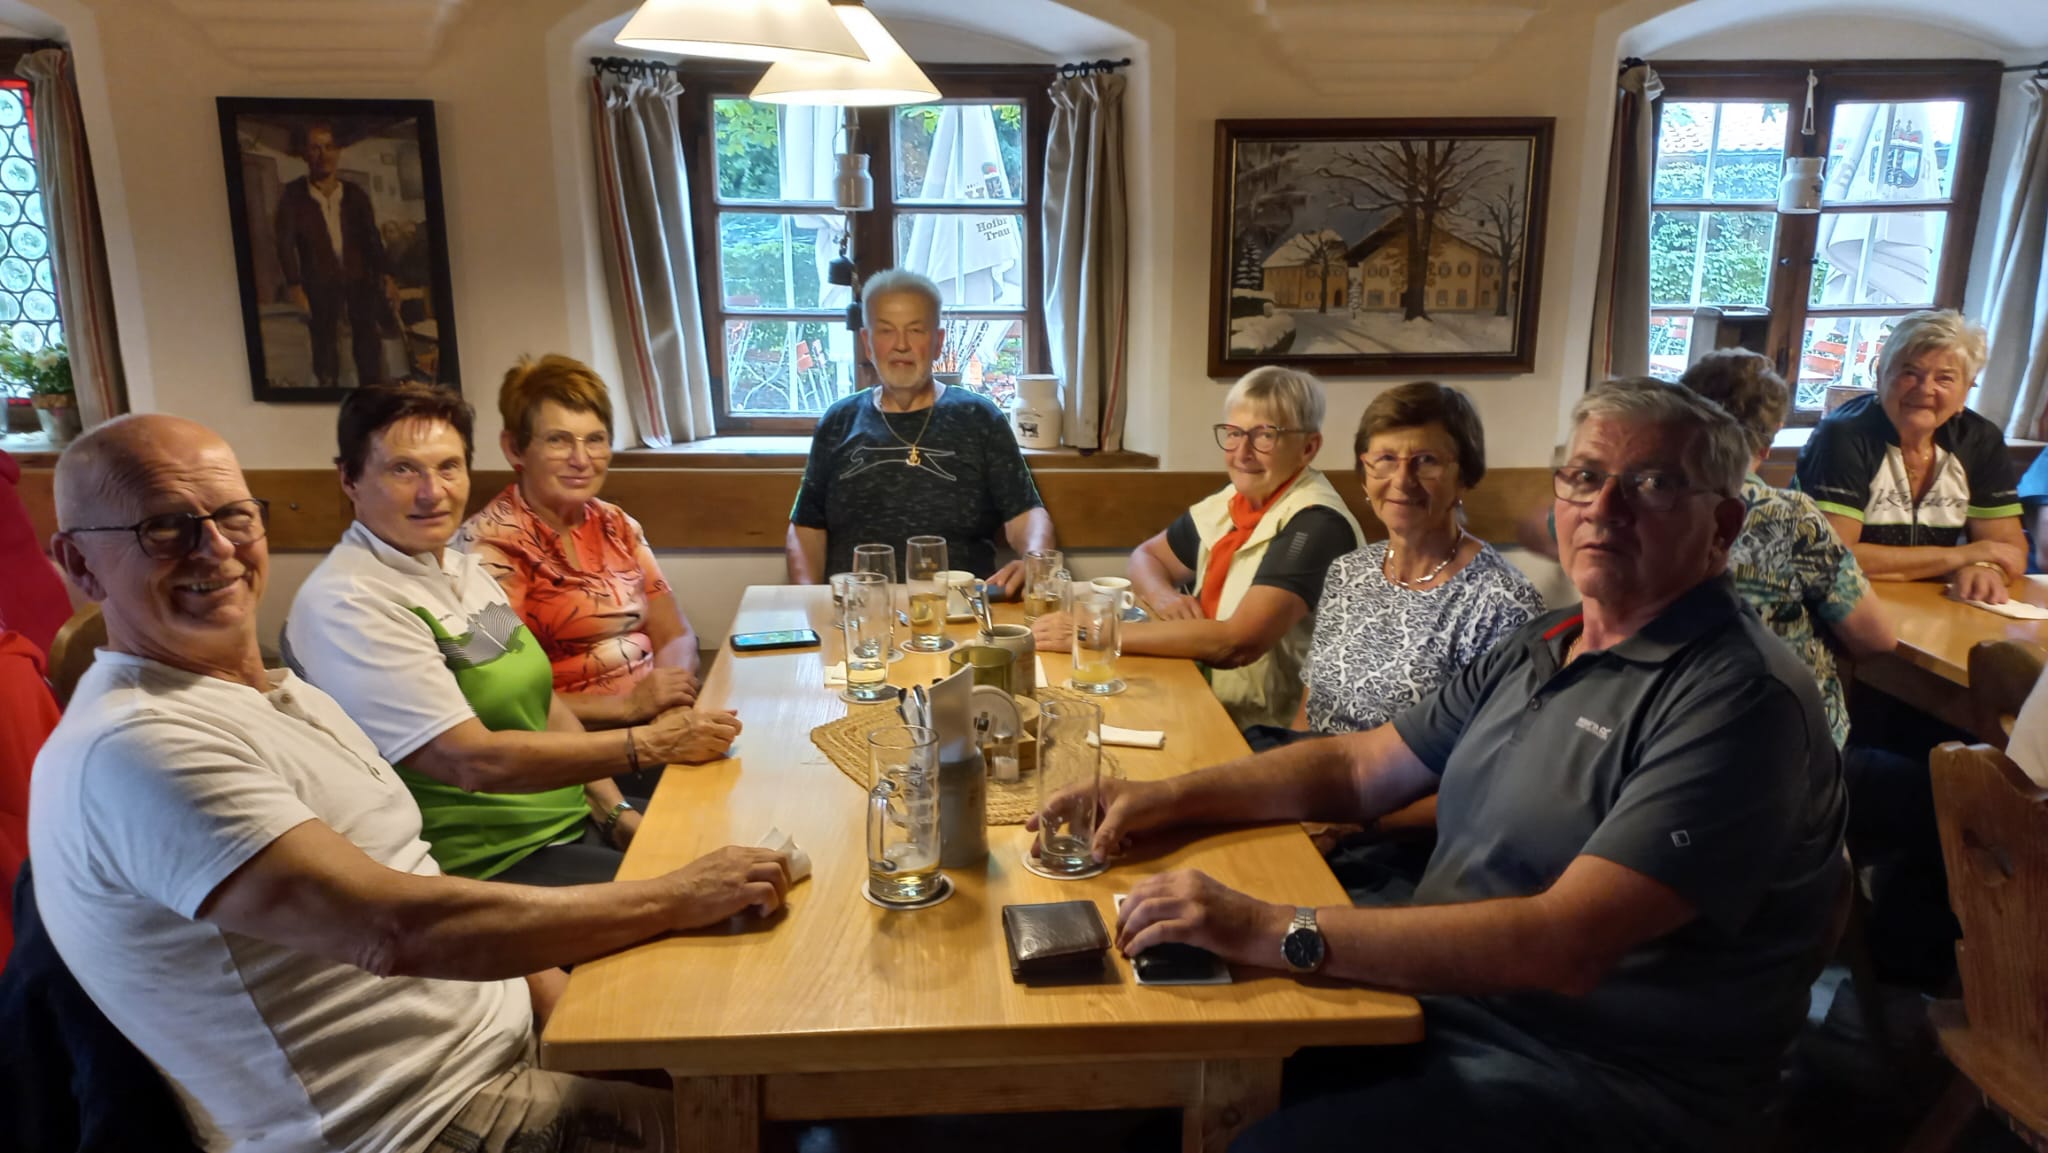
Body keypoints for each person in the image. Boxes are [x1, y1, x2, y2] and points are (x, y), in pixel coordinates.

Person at [1039, 378, 1846, 1153]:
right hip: (1447, 1004)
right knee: (1164, 1089)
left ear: (1723, 524)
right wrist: (1162, 798)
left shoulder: (1741, 699)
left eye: (1654, 484)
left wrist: (1263, 926)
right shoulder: (1550, 639)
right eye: (1584, 477)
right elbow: (1359, 767)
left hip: (1596, 1077)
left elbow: (1562, 944)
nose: (1605, 507)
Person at [31, 413, 791, 1152]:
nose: (219, 548)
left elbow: (418, 866)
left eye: (235, 515)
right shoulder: (139, 746)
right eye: (166, 527)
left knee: (765, 1048)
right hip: (418, 1121)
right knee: (785, 1120)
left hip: (503, 1049)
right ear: (79, 563)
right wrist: (676, 893)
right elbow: (396, 928)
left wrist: (565, 1012)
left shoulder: (281, 694)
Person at [285, 383, 739, 886]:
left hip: (567, 819)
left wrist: (615, 813)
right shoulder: (351, 601)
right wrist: (649, 743)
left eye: (448, 467)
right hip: (487, 863)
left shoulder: (462, 572)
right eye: (403, 469)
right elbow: (471, 762)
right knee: (720, 897)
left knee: (737, 836)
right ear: (349, 479)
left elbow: (544, 706)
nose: (432, 492)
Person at [1033, 366, 1362, 730]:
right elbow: (1147, 557)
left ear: (1308, 448)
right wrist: (1164, 598)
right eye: (1234, 433)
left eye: (1265, 436)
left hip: (1269, 731)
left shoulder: (1317, 523)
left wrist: (1096, 632)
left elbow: (1238, 643)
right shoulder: (1235, 499)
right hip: (1206, 697)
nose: (1242, 453)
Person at [458, 355, 702, 795]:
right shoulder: (492, 549)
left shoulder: (616, 524)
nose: (581, 459)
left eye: (596, 439)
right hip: (578, 751)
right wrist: (628, 708)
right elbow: (497, 694)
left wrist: (672, 706)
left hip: (656, 723)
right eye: (558, 440)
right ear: (515, 449)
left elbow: (675, 633)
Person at [785, 268, 1056, 594]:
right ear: (867, 343)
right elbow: (806, 528)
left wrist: (1035, 560)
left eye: (915, 330)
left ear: (938, 342)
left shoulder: (980, 418)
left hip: (959, 609)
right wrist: (807, 598)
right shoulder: (838, 421)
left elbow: (1026, 515)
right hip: (858, 611)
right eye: (886, 331)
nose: (901, 345)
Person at [1298, 381, 1543, 737]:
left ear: (1464, 477)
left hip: (1406, 776)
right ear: (1365, 474)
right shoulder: (1348, 572)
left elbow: (1493, 754)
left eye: (1426, 461)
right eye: (1386, 459)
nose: (1402, 480)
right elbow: (1309, 711)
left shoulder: (1502, 602)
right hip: (1310, 763)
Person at [1681, 350, 1895, 747]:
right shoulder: (1789, 516)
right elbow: (1875, 639)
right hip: (1783, 743)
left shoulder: (1640, 504)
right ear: (1769, 441)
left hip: (1670, 730)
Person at [1796, 309, 2025, 605]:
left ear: (1966, 390)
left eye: (1945, 378)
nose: (1925, 388)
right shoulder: (1842, 435)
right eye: (1909, 373)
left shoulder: (1980, 440)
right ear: (1880, 375)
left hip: (1936, 607)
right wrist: (1964, 556)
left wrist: (1985, 568)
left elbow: (2009, 548)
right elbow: (1834, 555)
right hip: (1833, 606)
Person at [274, 120, 396, 389]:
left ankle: (371, 390)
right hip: (319, 280)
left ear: (338, 152)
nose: (323, 155)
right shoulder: (294, 196)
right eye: (315, 148)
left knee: (367, 339)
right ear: (305, 154)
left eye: (329, 147)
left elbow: (372, 237)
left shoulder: (355, 195)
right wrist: (295, 285)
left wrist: (386, 275)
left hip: (359, 277)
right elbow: (284, 243)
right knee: (324, 341)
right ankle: (328, 389)